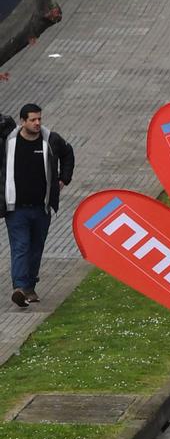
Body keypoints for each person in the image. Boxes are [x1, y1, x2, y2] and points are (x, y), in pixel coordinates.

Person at [3, 101, 75, 308]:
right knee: (21, 246)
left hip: (41, 208)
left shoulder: (50, 139)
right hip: (15, 208)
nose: (37, 123)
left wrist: (64, 179)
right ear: (22, 121)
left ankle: (29, 287)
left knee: (36, 248)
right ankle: (19, 287)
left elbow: (68, 153)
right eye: (32, 120)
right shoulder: (9, 141)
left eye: (39, 119)